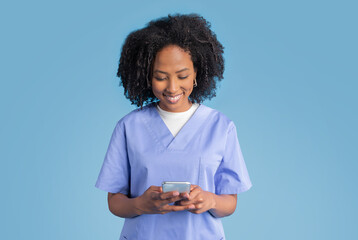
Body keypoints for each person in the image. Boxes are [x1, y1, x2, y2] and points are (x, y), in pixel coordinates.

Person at [95, 13, 252, 240]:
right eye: (161, 77)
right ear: (147, 77)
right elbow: (115, 202)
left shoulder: (221, 127)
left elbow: (230, 203)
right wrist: (141, 204)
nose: (172, 87)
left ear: (197, 73)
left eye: (182, 75)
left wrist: (211, 200)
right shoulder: (129, 127)